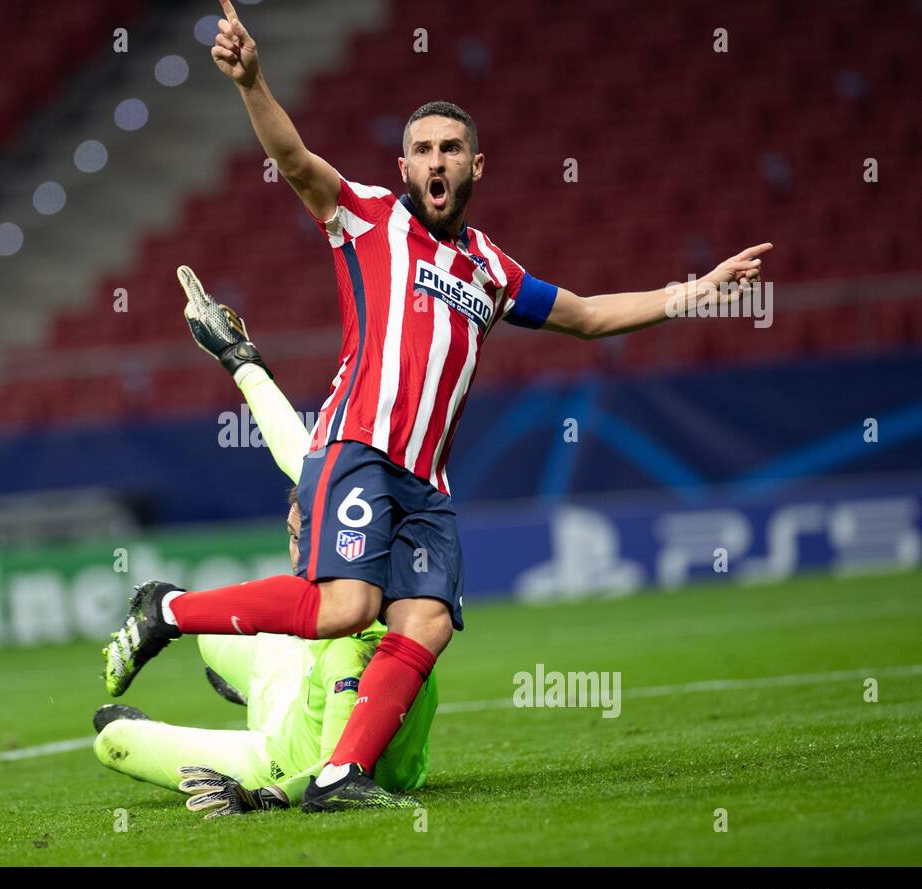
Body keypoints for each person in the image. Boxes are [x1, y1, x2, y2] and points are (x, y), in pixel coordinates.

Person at [105, 0, 771, 811]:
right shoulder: (369, 219)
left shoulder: (492, 268)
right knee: (347, 606)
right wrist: (253, 83)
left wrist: (695, 292)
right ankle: (167, 613)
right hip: (356, 446)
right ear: (405, 165)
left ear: (476, 166)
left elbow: (591, 316)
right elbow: (294, 160)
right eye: (422, 149)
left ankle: (337, 777)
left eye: (450, 148)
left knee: (425, 621)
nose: (436, 161)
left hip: (427, 482)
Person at [92, 267, 436, 816]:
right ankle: (251, 682)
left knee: (112, 739)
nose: (302, 547)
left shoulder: (356, 629)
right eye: (298, 533)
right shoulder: (370, 556)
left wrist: (267, 795)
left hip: (285, 758)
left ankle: (197, 651)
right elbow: (295, 449)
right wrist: (240, 358)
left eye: (310, 534)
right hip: (302, 684)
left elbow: (335, 772)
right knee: (216, 640)